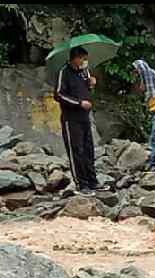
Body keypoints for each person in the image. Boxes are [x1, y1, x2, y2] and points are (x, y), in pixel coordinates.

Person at [54, 46, 106, 195]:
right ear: (75, 58)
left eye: (85, 59)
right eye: (82, 59)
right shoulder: (64, 72)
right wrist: (78, 103)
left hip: (85, 117)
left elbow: (87, 92)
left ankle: (92, 181)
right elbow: (58, 95)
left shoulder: (84, 73)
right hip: (71, 119)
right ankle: (81, 184)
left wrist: (91, 84)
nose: (85, 62)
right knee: (76, 150)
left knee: (88, 149)